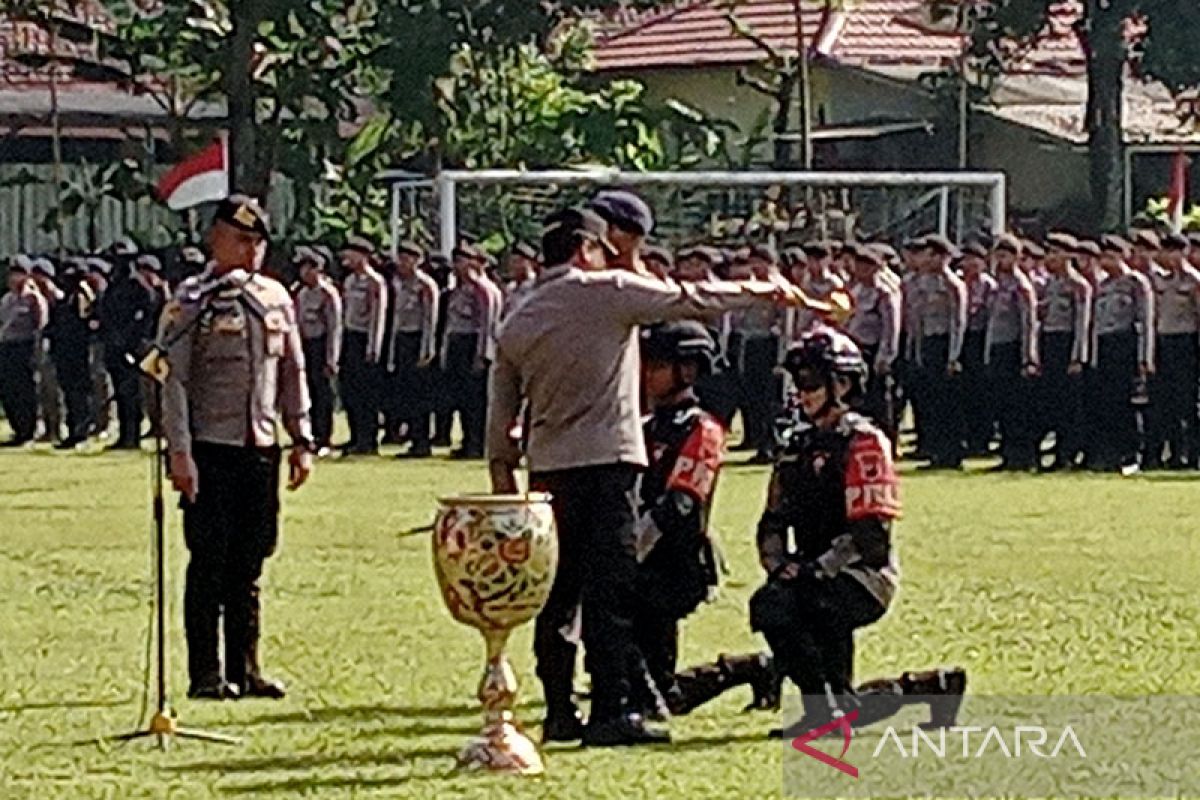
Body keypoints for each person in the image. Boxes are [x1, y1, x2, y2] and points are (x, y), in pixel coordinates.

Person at [486, 206, 822, 747]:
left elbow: (500, 419)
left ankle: (556, 710)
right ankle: (612, 710)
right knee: (609, 590)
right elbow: (693, 298)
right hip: (608, 463)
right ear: (584, 250)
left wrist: (506, 488)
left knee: (557, 594)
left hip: (547, 469)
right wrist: (765, 289)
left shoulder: (516, 317)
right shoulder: (608, 290)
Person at [749, 327, 966, 737]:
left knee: (794, 605)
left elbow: (870, 532)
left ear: (842, 384)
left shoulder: (864, 442)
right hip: (809, 571)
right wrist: (777, 564)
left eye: (812, 381)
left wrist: (818, 567)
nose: (803, 392)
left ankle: (826, 709)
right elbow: (772, 519)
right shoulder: (795, 447)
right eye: (799, 383)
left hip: (862, 575)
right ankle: (925, 688)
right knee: (773, 603)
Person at [157, 195, 315, 700]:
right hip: (210, 447)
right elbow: (173, 379)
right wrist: (178, 450)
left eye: (258, 242)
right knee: (209, 560)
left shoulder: (274, 298)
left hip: (259, 445)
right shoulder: (191, 300)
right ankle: (205, 673)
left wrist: (302, 437)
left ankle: (245, 667)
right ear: (215, 239)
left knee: (251, 559)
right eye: (241, 239)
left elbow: (292, 370)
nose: (251, 251)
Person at [629, 321, 727, 718]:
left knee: (654, 644)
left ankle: (734, 674)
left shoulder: (701, 428)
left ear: (687, 370)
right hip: (639, 551)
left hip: (675, 559)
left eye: (657, 366)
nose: (647, 375)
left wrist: (631, 546)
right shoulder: (645, 426)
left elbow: (682, 501)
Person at [1088, 235, 1155, 472]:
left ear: (1123, 255)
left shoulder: (1135, 282)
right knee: (1108, 403)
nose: (1106, 261)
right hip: (1105, 346)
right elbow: (1096, 323)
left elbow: (1146, 321)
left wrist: (1144, 357)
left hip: (1126, 344)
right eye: (1104, 256)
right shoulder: (1103, 285)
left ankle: (1132, 453)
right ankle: (1111, 453)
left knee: (1129, 402)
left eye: (1111, 256)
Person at [904, 235, 967, 469]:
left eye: (932, 254)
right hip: (929, 344)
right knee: (932, 402)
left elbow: (958, 322)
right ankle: (936, 451)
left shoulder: (952, 284)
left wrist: (954, 356)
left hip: (946, 345)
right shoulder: (923, 283)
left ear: (943, 257)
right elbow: (918, 319)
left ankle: (953, 453)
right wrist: (918, 350)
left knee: (948, 402)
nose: (927, 259)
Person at [101, 250, 168, 449]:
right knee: (121, 392)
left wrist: (134, 337)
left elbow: (147, 311)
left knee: (131, 392)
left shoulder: (138, 285)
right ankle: (124, 434)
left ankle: (133, 435)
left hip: (132, 344)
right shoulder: (114, 283)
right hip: (114, 344)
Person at [1036, 233, 1092, 471]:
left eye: (1057, 252)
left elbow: (1082, 322)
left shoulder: (1078, 285)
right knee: (1052, 402)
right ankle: (1057, 452)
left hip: (1067, 343)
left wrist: (1077, 356)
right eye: (1050, 252)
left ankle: (1069, 453)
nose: (1052, 257)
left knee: (1070, 405)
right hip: (1049, 342)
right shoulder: (1049, 284)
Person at [441, 243, 502, 459]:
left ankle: (478, 443)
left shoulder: (483, 289)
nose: (457, 267)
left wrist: (483, 354)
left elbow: (488, 324)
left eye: (462, 261)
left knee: (476, 400)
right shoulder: (457, 290)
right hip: (457, 343)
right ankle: (467, 441)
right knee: (461, 398)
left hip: (474, 344)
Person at [985, 234, 1040, 471]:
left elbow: (1029, 322)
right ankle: (1007, 453)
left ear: (1017, 257)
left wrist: (1029, 356)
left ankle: (1021, 455)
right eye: (998, 255)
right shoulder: (997, 284)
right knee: (1001, 404)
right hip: (997, 347)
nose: (1000, 260)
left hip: (1014, 348)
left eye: (1005, 255)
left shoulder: (1021, 285)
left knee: (1017, 406)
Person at [1145, 233, 1200, 469]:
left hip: (1186, 343)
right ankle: (1174, 453)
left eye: (1174, 251)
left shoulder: (1194, 281)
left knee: (1187, 402)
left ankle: (1193, 455)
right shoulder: (1161, 281)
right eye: (1166, 251)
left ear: (1184, 252)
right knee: (1166, 402)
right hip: (1164, 342)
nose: (1170, 256)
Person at [385, 241, 440, 458]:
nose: (402, 263)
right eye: (400, 258)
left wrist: (427, 350)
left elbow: (430, 320)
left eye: (407, 258)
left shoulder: (425, 285)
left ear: (418, 260)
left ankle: (422, 441)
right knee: (405, 395)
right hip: (402, 340)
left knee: (420, 396)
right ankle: (412, 437)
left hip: (418, 340)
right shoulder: (399, 284)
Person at [845, 243, 902, 441]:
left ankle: (887, 440)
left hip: (874, 351)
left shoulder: (884, 292)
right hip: (855, 350)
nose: (859, 271)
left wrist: (886, 357)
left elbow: (891, 327)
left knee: (878, 401)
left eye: (864, 266)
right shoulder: (855, 290)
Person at [338, 236, 387, 455]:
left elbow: (378, 315)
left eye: (351, 253)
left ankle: (368, 439)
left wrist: (373, 346)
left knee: (366, 393)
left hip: (365, 339)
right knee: (349, 391)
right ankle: (355, 435)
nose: (346, 257)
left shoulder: (374, 282)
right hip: (349, 337)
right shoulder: (349, 281)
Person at [294, 247, 342, 455]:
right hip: (306, 345)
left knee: (323, 394)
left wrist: (332, 358)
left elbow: (334, 327)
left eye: (307, 267)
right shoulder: (301, 293)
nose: (303, 273)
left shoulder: (328, 293)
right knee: (308, 393)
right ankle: (310, 433)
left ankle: (325, 436)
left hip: (321, 345)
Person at [46, 258, 98, 449]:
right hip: (63, 351)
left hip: (77, 351)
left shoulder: (81, 296)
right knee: (69, 391)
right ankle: (73, 429)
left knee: (79, 392)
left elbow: (86, 321)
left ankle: (81, 429)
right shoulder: (62, 300)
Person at [0, 256, 49, 446]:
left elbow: (40, 324)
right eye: (12, 274)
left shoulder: (33, 298)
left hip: (25, 346)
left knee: (25, 390)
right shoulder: (7, 299)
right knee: (9, 390)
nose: (14, 278)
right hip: (7, 347)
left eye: (18, 273)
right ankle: (17, 428)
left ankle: (28, 429)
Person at [959, 242, 997, 456]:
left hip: (980, 337)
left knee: (980, 392)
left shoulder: (988, 286)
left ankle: (981, 439)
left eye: (974, 259)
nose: (969, 264)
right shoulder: (959, 283)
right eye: (966, 259)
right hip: (962, 339)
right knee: (963, 391)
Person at [29, 258, 64, 442]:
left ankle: (56, 428)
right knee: (42, 389)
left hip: (55, 347)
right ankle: (48, 427)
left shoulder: (56, 298)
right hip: (42, 345)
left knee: (52, 388)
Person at [589, 190, 655, 276]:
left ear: (633, 235)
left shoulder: (651, 285)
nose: (603, 233)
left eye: (611, 226)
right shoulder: (583, 278)